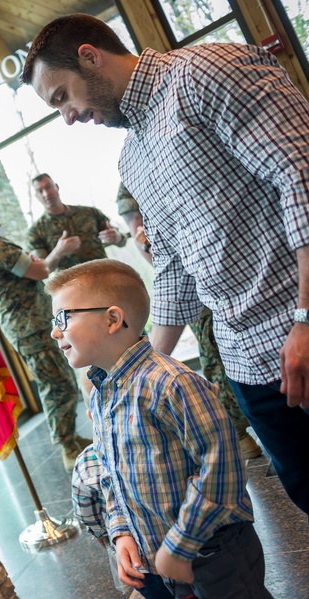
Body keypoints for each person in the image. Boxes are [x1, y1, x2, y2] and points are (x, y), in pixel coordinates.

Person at [21, 13, 309, 549]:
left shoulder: (207, 71)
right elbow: (174, 268)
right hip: (249, 365)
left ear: (91, 57)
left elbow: (307, 173)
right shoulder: (134, 157)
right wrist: (130, 370)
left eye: (60, 97)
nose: (67, 117)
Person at [47, 259, 302, 599]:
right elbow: (111, 474)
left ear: (113, 319)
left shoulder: (172, 383)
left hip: (214, 555)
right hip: (167, 557)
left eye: (63, 317)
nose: (54, 330)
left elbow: (222, 470)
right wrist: (121, 532)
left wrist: (179, 546)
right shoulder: (102, 394)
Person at [115, 184, 262, 460]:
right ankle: (238, 433)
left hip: (228, 273)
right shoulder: (132, 182)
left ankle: (245, 430)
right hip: (193, 285)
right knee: (215, 355)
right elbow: (143, 240)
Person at [0, 195, 88, 472]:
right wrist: (60, 250)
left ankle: (71, 437)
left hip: (32, 326)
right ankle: (67, 447)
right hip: (29, 329)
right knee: (58, 386)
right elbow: (40, 269)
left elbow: (27, 268)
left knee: (61, 381)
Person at [71, 443, 172, 599]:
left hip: (138, 561)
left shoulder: (85, 461)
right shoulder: (148, 443)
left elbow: (87, 514)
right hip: (177, 542)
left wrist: (106, 540)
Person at [28, 173, 126, 273]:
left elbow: (122, 241)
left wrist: (117, 237)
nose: (46, 193)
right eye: (40, 191)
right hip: (71, 285)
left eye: (48, 187)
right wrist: (58, 251)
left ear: (56, 187)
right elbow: (43, 269)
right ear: (36, 196)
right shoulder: (36, 231)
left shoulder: (90, 213)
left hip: (104, 274)